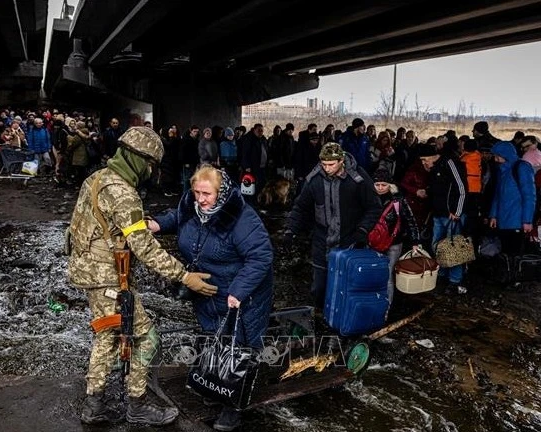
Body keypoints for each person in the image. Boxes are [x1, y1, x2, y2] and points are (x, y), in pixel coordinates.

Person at [67, 126, 218, 426]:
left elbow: (82, 228)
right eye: (150, 164)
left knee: (107, 336)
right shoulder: (123, 193)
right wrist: (184, 276)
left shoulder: (97, 179)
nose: (151, 171)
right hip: (107, 277)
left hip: (89, 273)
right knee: (147, 338)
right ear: (139, 159)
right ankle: (137, 405)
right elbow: (145, 249)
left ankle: (93, 405)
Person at [148, 165, 274, 431]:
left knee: (237, 348)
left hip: (242, 295)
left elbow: (261, 257)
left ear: (222, 192)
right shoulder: (192, 206)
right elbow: (178, 217)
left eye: (207, 194)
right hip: (207, 291)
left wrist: (238, 291)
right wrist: (158, 223)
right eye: (196, 193)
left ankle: (234, 407)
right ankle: (214, 387)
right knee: (212, 338)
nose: (201, 199)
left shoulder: (241, 217)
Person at [284, 142, 382, 309]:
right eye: (323, 164)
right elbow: (300, 207)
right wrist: (290, 229)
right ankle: (320, 316)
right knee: (319, 287)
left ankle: (343, 319)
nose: (327, 168)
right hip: (322, 240)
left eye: (331, 164)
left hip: (349, 240)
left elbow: (374, 206)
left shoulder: (357, 178)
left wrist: (363, 230)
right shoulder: (314, 180)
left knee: (346, 285)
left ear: (341, 161)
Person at [419, 141, 468, 294]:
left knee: (454, 247)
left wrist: (457, 211)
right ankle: (442, 273)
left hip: (452, 214)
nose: (423, 162)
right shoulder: (434, 168)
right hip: (438, 213)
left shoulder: (449, 163)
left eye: (424, 159)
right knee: (437, 246)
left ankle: (455, 281)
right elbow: (438, 187)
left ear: (433, 156)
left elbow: (461, 188)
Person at [371, 168, 420, 306]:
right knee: (373, 272)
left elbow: (410, 220)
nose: (380, 188)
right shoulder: (368, 197)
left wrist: (415, 241)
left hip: (394, 243)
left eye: (384, 185)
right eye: (377, 184)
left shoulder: (399, 200)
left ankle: (386, 306)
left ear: (390, 185)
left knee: (387, 275)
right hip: (373, 242)